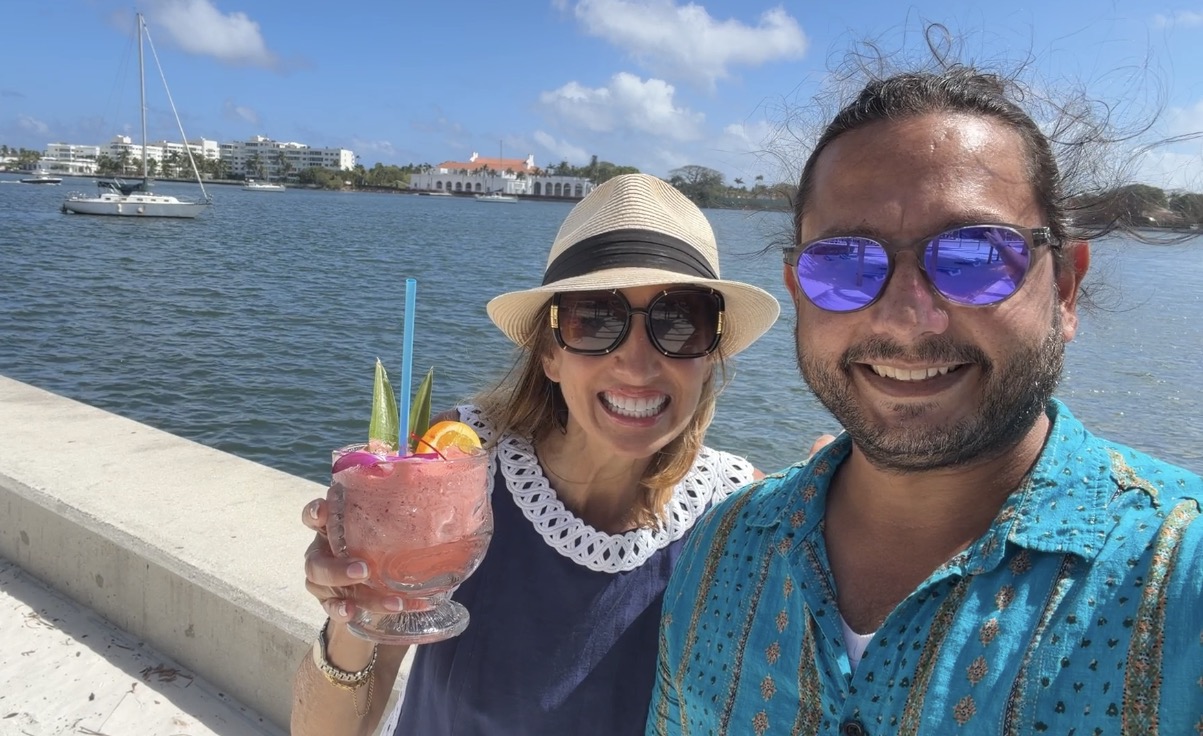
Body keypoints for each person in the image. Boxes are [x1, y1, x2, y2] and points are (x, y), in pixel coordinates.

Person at [648, 65, 1203, 734]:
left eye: (973, 255)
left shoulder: (1180, 579)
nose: (906, 319)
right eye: (844, 263)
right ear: (798, 290)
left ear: (1063, 290)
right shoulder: (720, 552)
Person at [292, 173, 789, 735]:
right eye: (597, 318)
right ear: (550, 355)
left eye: (679, 322)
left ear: (710, 356)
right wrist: (360, 611)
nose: (639, 361)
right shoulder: (458, 465)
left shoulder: (742, 517)